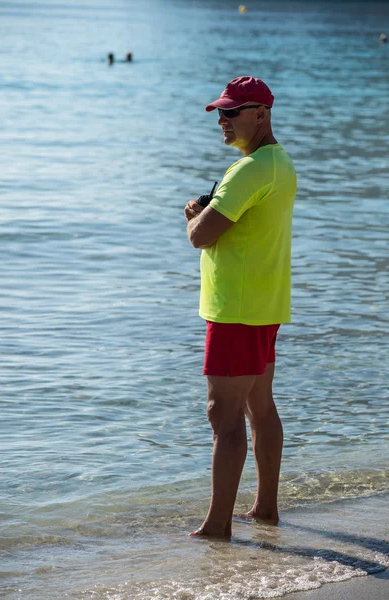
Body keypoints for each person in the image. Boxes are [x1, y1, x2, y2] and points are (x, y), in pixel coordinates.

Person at [184, 76, 297, 539]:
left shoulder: (248, 170)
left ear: (260, 114)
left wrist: (194, 215)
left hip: (236, 310)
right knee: (260, 407)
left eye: (232, 113)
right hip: (265, 304)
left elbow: (201, 236)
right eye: (220, 114)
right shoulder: (280, 162)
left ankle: (217, 527)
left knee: (223, 416)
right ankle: (265, 509)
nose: (223, 122)